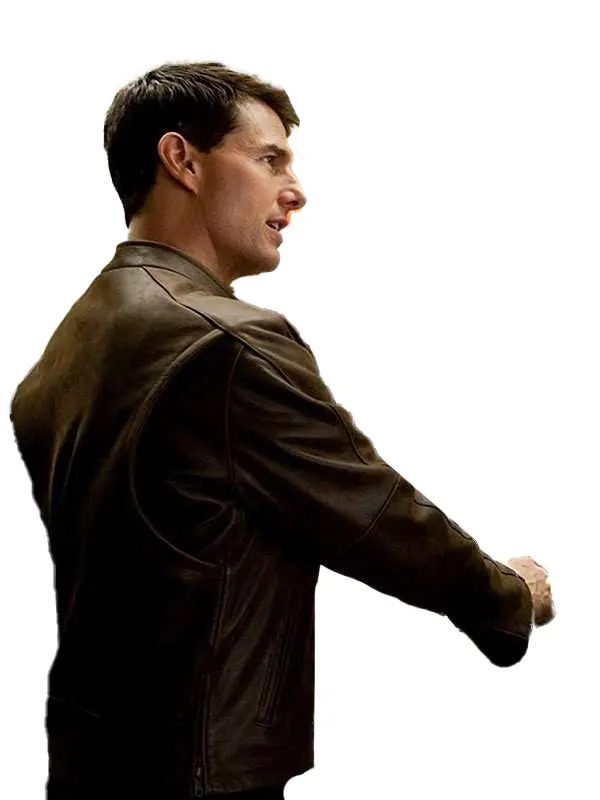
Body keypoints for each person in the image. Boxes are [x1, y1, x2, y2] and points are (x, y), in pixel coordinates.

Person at [10, 61, 555, 800]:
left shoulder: (70, 347)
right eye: (270, 160)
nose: (295, 191)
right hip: (203, 776)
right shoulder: (224, 344)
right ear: (182, 160)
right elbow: (374, 515)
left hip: (92, 762)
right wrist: (507, 596)